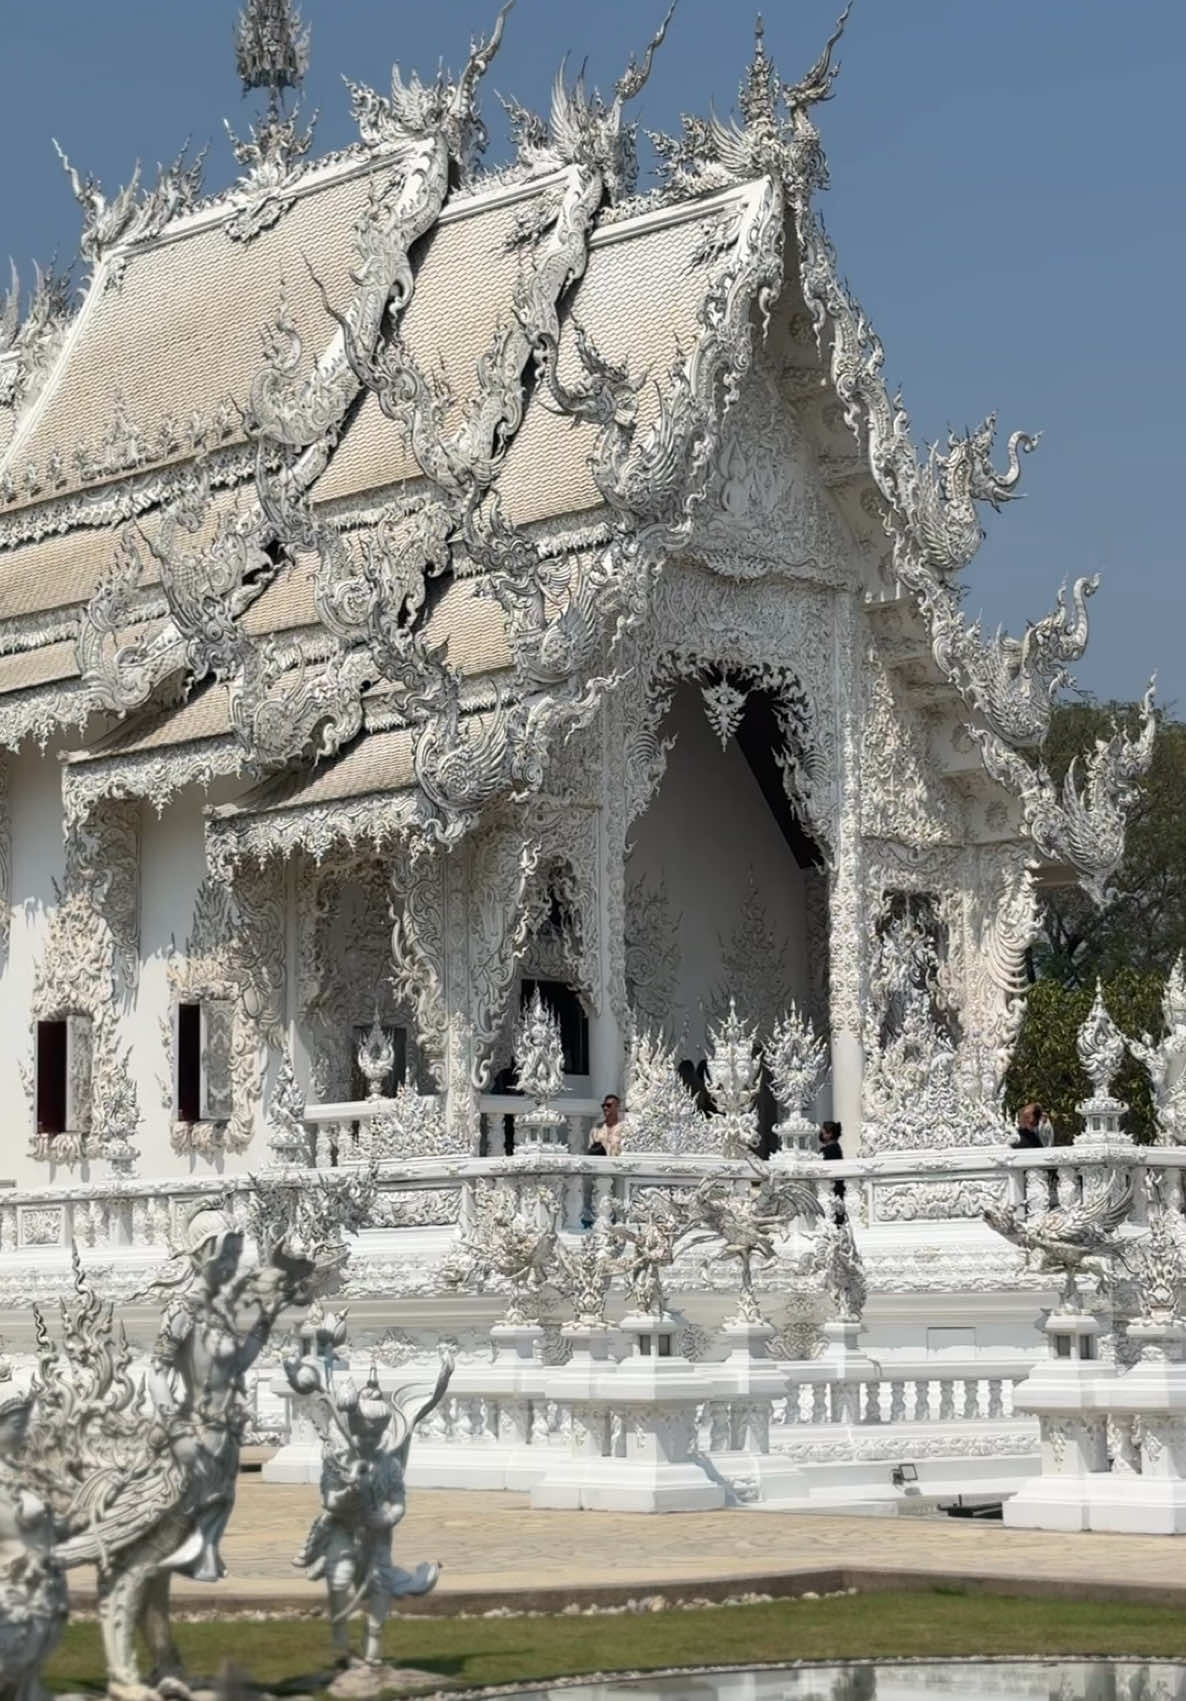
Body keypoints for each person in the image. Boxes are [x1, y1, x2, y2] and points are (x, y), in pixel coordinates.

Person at [819, 1119, 847, 1221]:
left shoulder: (829, 1149)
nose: (821, 1135)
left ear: (829, 1134)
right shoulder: (836, 1147)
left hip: (832, 1185)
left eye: (823, 1132)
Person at [589, 1093, 626, 1157]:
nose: (605, 1108)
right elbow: (591, 1151)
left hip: (617, 1164)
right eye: (603, 1105)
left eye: (609, 1105)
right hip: (601, 1165)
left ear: (617, 1107)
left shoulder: (624, 1129)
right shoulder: (596, 1130)